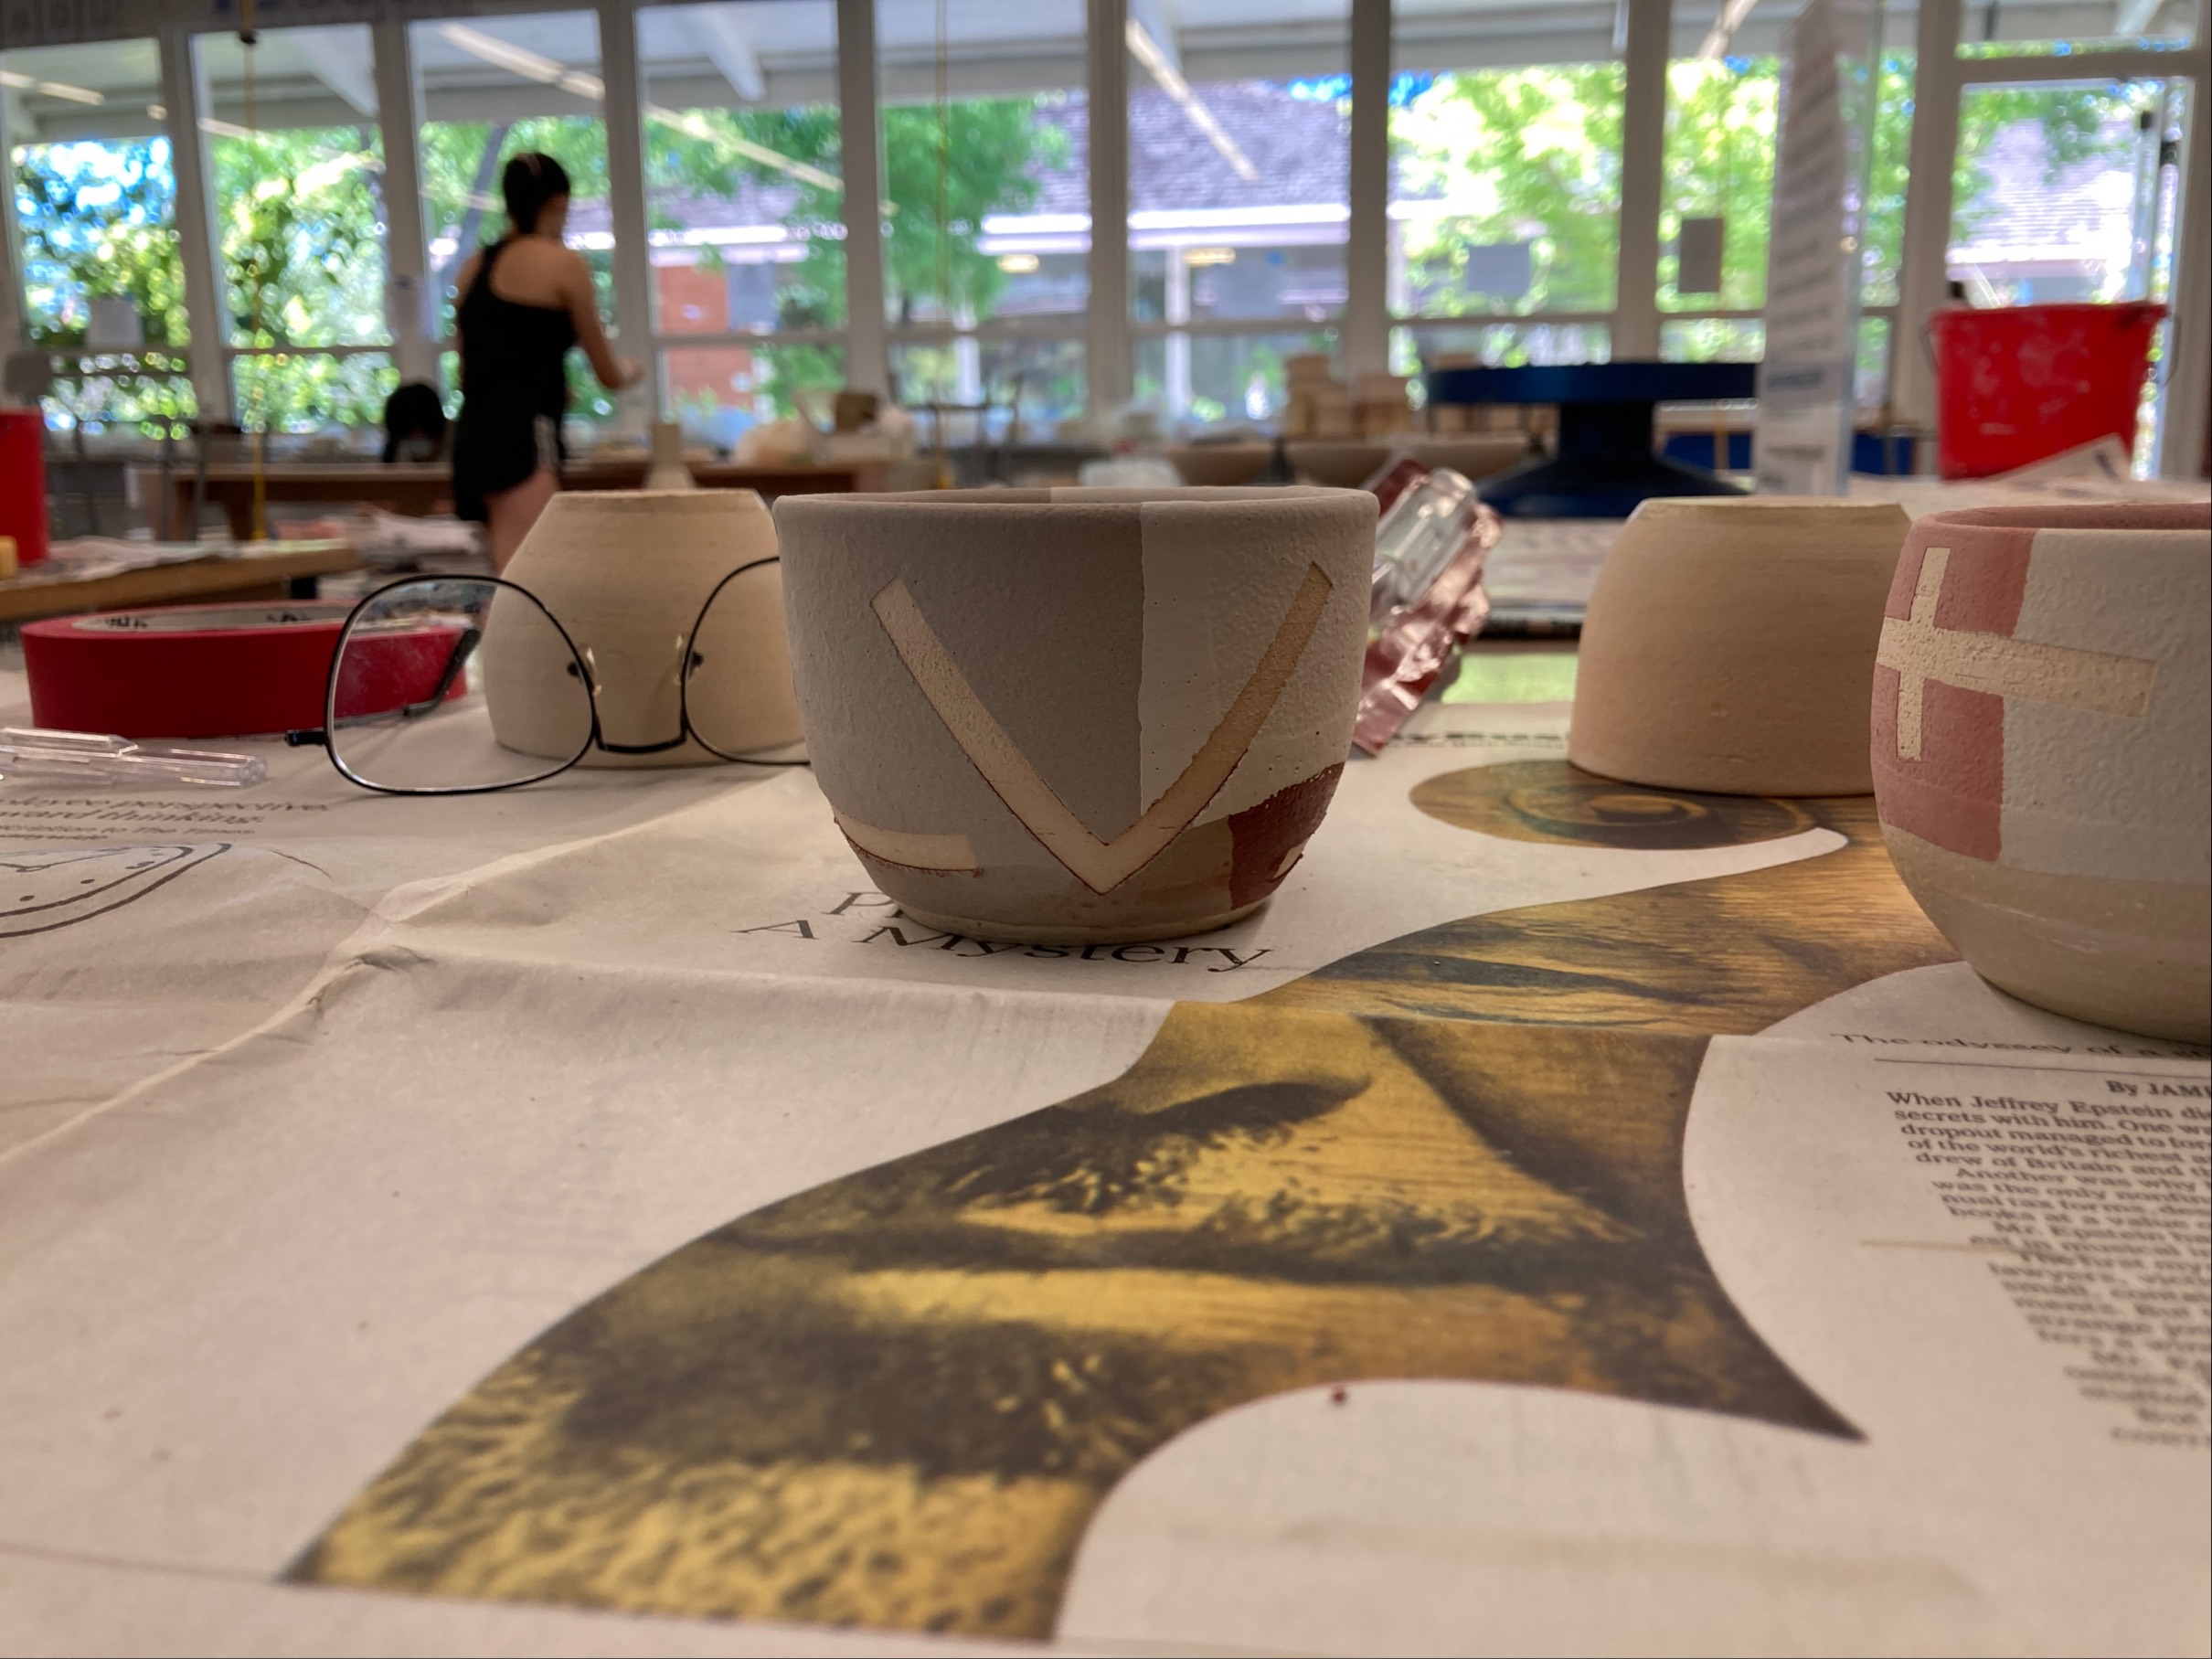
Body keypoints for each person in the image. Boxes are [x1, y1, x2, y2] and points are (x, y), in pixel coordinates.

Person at [450, 153, 638, 570]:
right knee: (528, 579)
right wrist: (632, 371)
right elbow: (608, 373)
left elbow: (468, 370)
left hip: (471, 442)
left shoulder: (473, 267)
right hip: (523, 441)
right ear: (559, 202)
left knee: (498, 573)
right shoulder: (562, 264)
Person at [380, 380, 448, 463]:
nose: (416, 439)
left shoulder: (455, 446)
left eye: (420, 434)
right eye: (408, 436)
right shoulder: (394, 455)